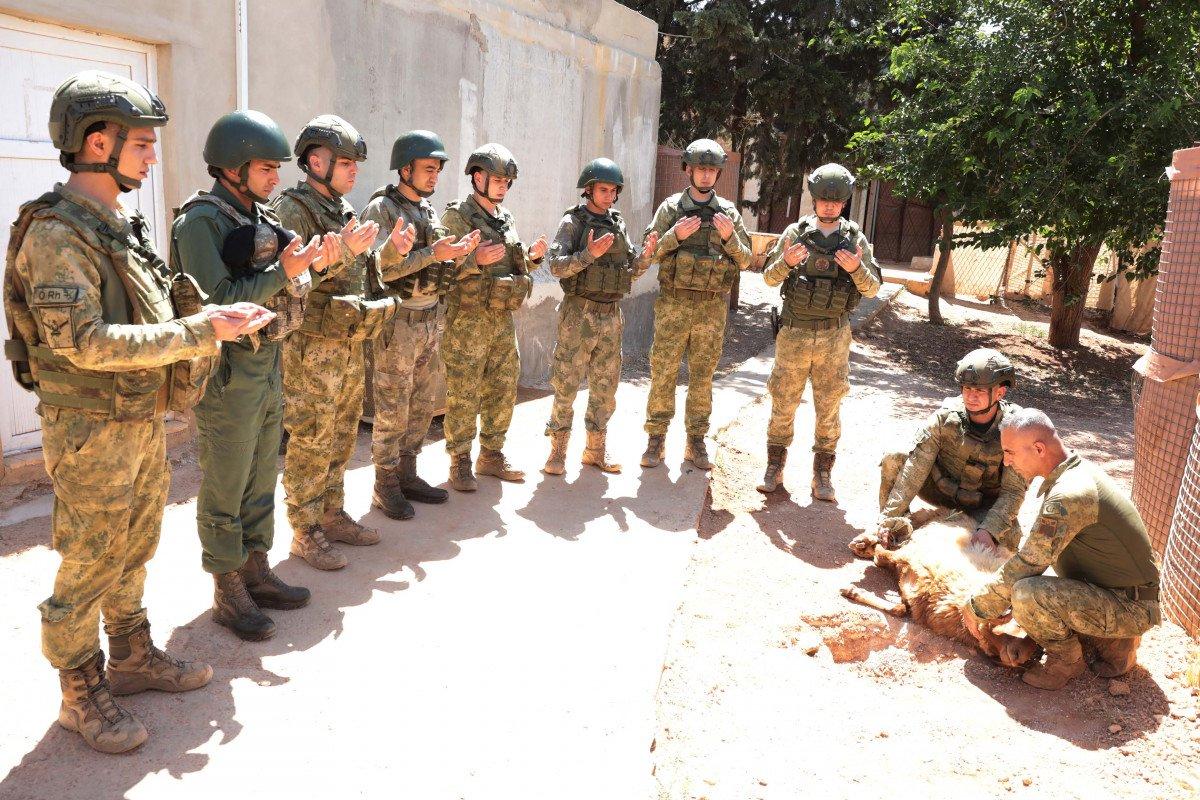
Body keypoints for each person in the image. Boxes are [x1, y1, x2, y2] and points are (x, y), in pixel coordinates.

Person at [4, 70, 273, 753]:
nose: (153, 156)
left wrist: (209, 318)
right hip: (90, 428)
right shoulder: (57, 234)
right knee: (89, 560)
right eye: (142, 144)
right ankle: (79, 691)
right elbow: (85, 344)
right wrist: (204, 331)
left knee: (135, 546)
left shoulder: (116, 224)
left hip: (136, 417)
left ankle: (130, 657)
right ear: (99, 142)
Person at [172, 109, 341, 641]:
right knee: (227, 479)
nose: (276, 178)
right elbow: (219, 304)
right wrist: (283, 272)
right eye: (266, 168)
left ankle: (255, 568)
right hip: (226, 373)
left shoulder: (257, 214)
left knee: (262, 471)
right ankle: (227, 587)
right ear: (232, 167)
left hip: (267, 363)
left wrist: (317, 264)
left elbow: (285, 282)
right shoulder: (201, 222)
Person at [272, 115, 418, 568]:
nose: (354, 171)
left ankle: (332, 514)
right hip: (311, 345)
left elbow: (366, 268)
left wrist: (393, 250)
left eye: (356, 163)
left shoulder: (343, 209)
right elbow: (291, 282)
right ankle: (305, 529)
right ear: (317, 161)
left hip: (349, 341)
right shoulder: (292, 210)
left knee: (341, 433)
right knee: (312, 437)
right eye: (346, 162)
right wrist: (346, 252)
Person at [969, 408, 1160, 690]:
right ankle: (1111, 644)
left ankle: (1066, 662)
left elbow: (1029, 562)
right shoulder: (1074, 473)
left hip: (1130, 606)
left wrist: (978, 606)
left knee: (1027, 595)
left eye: (1010, 452)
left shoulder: (1068, 495)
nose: (1006, 462)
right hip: (1122, 593)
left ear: (1038, 448)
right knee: (1033, 591)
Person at [362, 130, 479, 517]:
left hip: (431, 319)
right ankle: (385, 483)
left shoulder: (427, 211)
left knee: (422, 404)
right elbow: (378, 270)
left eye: (437, 170)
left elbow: (437, 264)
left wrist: (462, 256)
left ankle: (407, 473)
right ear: (405, 168)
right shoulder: (382, 210)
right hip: (399, 322)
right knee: (393, 406)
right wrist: (433, 252)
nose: (434, 177)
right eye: (428, 169)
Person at [757, 163, 881, 501]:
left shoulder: (855, 239)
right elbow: (768, 278)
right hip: (794, 333)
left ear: (844, 203)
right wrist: (785, 262)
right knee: (783, 402)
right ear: (814, 200)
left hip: (833, 337)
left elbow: (872, 290)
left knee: (829, 407)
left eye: (836, 201)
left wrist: (856, 269)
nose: (829, 206)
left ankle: (822, 474)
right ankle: (774, 467)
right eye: (823, 200)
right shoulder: (795, 234)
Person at [849, 348, 1026, 558]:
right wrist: (889, 517)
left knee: (1010, 539)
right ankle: (894, 532)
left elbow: (1013, 492)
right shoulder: (945, 418)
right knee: (894, 459)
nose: (971, 396)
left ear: (999, 393)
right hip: (941, 489)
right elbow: (915, 468)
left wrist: (989, 530)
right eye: (967, 388)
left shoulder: (1016, 428)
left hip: (982, 505)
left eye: (979, 391)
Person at [439, 143, 547, 490]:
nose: (503, 186)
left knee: (502, 387)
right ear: (478, 177)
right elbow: (438, 268)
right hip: (467, 321)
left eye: (507, 181)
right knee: (464, 393)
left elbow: (512, 262)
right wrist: (473, 262)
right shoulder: (456, 216)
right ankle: (459, 462)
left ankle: (491, 454)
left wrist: (531, 258)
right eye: (497, 179)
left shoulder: (505, 219)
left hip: (501, 321)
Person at [641, 138, 752, 471]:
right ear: (687, 169)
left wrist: (731, 237)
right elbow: (648, 255)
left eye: (711, 170)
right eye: (700, 168)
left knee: (703, 376)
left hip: (710, 308)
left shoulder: (729, 212)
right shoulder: (671, 208)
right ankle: (656, 439)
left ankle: (696, 442)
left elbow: (746, 260)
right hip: (674, 304)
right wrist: (674, 235)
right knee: (663, 372)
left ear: (718, 173)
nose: (705, 175)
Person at [542, 158, 657, 475]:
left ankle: (595, 451)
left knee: (605, 389)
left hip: (611, 316)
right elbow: (555, 264)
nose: (608, 196)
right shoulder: (574, 223)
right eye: (602, 189)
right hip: (579, 314)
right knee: (565, 384)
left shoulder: (617, 224)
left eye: (613, 190)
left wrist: (646, 257)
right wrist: (587, 255)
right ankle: (557, 453)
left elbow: (628, 271)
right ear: (589, 190)